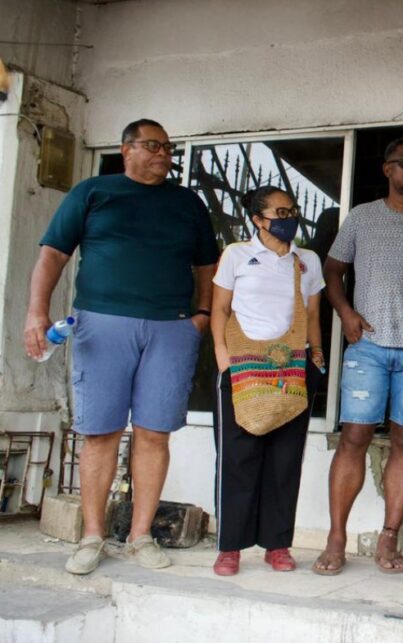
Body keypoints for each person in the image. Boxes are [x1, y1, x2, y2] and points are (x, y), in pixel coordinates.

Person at [24, 118, 218, 574]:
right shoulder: (93, 192)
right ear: (125, 149)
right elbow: (52, 253)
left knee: (154, 432)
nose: (163, 155)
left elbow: (208, 263)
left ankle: (140, 535)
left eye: (169, 148)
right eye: (153, 145)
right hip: (102, 321)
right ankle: (92, 537)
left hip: (170, 327)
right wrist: (36, 311)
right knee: (100, 432)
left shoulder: (186, 202)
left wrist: (202, 317)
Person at [315, 138, 403, 575]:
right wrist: (344, 312)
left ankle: (389, 535)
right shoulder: (361, 217)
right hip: (369, 346)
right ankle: (336, 537)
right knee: (354, 438)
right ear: (386, 170)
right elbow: (333, 269)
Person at [209, 186, 326, 576]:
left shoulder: (306, 261)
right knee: (237, 458)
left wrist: (317, 360)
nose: (289, 216)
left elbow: (312, 315)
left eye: (292, 210)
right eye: (280, 211)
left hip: (291, 367)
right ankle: (230, 548)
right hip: (242, 367)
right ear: (258, 219)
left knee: (285, 459)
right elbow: (220, 309)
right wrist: (224, 361)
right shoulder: (236, 255)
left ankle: (277, 545)